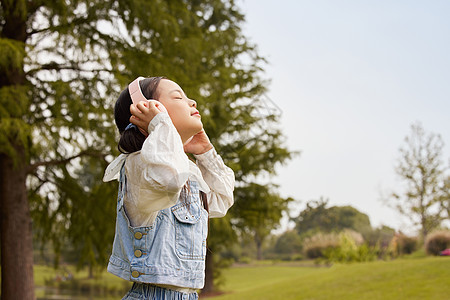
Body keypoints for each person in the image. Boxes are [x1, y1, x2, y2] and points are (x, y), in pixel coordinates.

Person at [103, 76, 235, 299]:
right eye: (178, 97)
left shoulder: (183, 169)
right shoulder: (140, 165)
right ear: (146, 110)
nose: (192, 101)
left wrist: (205, 151)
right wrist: (160, 124)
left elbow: (221, 199)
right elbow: (168, 180)